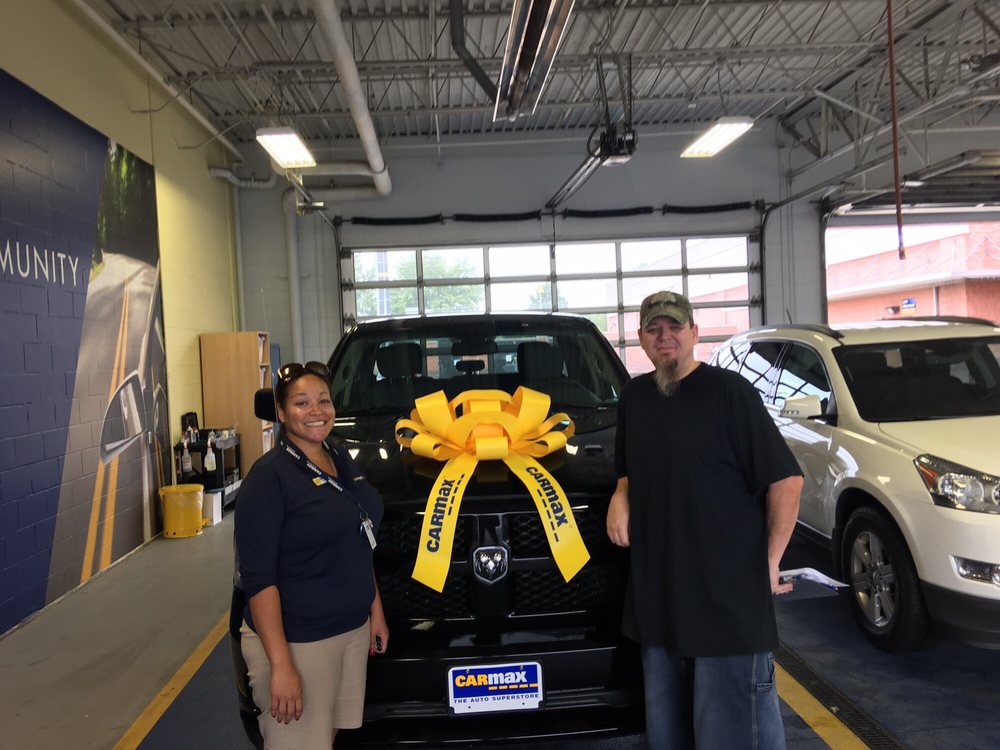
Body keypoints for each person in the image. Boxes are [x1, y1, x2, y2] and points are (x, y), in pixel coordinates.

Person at [607, 291, 803, 750]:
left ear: (694, 333)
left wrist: (769, 562)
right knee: (668, 738)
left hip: (725, 606)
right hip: (658, 606)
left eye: (675, 327)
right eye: (654, 329)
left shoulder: (730, 393)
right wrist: (620, 492)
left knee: (729, 737)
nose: (665, 337)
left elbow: (786, 481)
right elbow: (630, 468)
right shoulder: (634, 398)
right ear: (641, 339)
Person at [235, 361, 388, 750]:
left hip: (350, 632)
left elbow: (357, 537)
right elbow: (259, 579)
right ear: (281, 412)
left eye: (323, 400)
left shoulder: (338, 455)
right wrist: (282, 666)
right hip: (300, 643)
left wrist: (375, 611)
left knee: (326, 736)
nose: (316, 410)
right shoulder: (268, 478)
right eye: (302, 403)